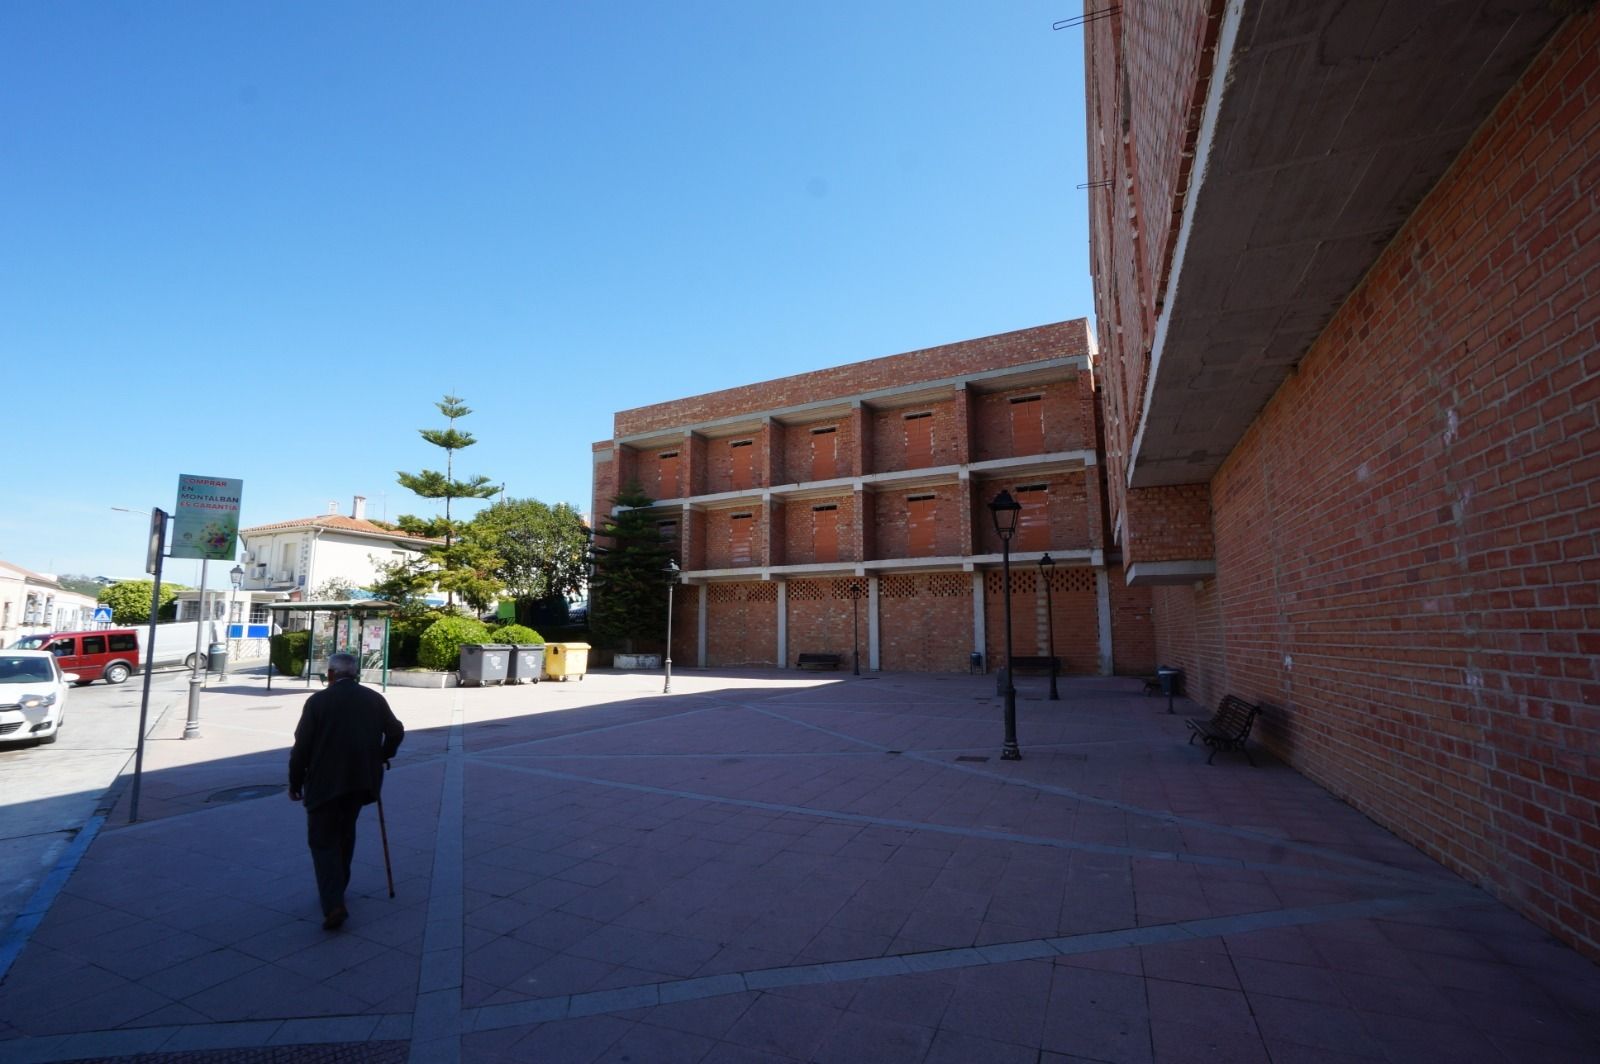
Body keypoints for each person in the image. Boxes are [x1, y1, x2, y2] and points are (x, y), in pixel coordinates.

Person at [288, 652, 404, 929]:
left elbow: (301, 747)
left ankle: (333, 904)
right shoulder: (373, 698)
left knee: (322, 841)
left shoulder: (318, 702)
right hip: (360, 782)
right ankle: (338, 888)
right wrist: (381, 755)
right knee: (345, 833)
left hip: (325, 784)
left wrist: (294, 782)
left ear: (330, 674)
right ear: (355, 674)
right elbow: (396, 731)